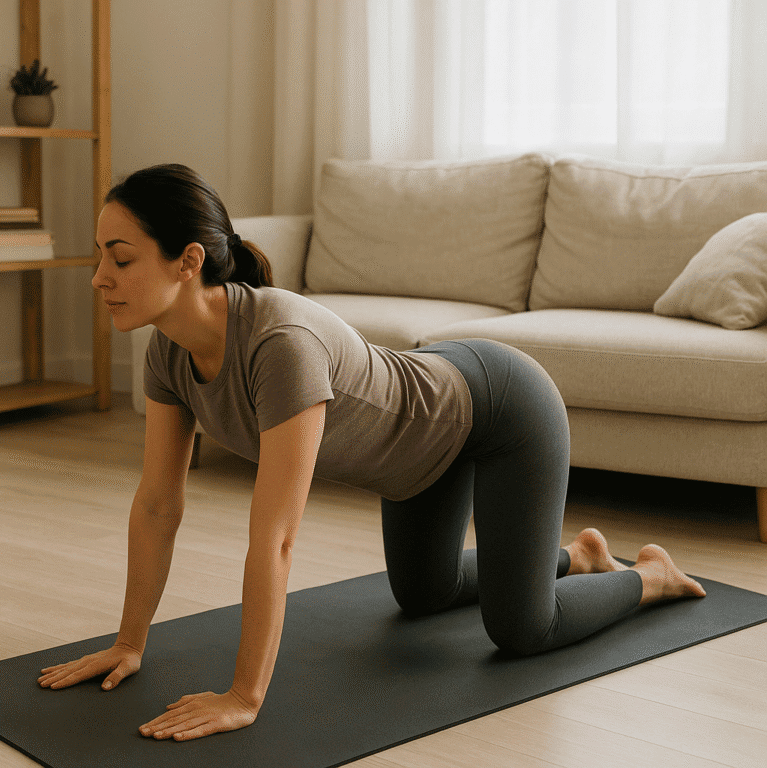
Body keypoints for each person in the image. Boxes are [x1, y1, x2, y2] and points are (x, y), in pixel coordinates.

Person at [37, 164, 706, 742]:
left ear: (187, 261)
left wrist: (243, 696)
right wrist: (129, 643)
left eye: (120, 259)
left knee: (523, 630)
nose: (100, 278)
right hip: (423, 440)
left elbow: (275, 539)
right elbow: (158, 505)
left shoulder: (279, 343)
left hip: (503, 409)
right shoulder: (168, 352)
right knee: (424, 594)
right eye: (101, 257)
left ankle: (649, 576)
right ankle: (575, 556)